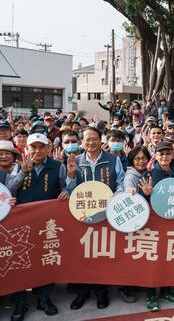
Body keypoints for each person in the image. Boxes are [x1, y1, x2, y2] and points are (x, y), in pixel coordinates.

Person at [10, 133, 77, 321]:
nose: (37, 151)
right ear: (27, 148)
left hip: (48, 223)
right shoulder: (19, 165)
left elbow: (67, 188)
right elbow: (8, 191)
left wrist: (68, 185)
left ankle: (43, 297)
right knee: (21, 260)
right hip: (21, 224)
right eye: (33, 147)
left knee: (46, 257)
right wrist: (23, 172)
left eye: (41, 147)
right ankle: (21, 300)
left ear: (49, 148)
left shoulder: (58, 166)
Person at [71, 127, 125, 310]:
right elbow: (69, 189)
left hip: (106, 214)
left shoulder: (113, 159)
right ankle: (83, 291)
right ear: (82, 142)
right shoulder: (76, 161)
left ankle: (101, 291)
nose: (91, 142)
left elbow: (121, 183)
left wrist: (116, 196)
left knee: (102, 253)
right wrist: (70, 175)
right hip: (82, 216)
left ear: (100, 140)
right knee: (82, 254)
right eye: (87, 139)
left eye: (94, 139)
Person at [142, 141, 174, 309]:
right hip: (154, 222)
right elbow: (141, 197)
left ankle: (166, 290)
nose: (165, 157)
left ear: (172, 154)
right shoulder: (150, 173)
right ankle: (150, 294)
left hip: (173, 221)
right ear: (156, 155)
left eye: (168, 153)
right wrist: (145, 193)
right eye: (161, 154)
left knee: (169, 257)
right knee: (153, 259)